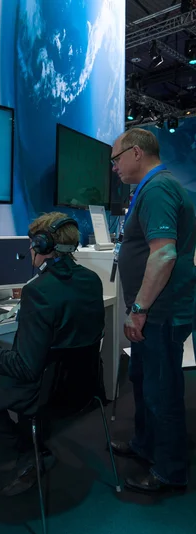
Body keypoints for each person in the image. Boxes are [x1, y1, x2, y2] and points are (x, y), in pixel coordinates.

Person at [0, 212, 105, 496]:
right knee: (17, 355)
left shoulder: (38, 291)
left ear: (43, 245)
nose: (30, 249)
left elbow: (24, 368)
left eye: (34, 243)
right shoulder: (91, 280)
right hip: (83, 387)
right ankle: (32, 446)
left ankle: (27, 448)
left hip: (47, 394)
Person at [111, 128, 196, 493]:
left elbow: (163, 254)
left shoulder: (158, 188)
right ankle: (146, 445)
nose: (113, 167)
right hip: (154, 311)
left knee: (162, 391)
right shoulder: (154, 188)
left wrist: (139, 309)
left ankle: (169, 470)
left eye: (116, 159)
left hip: (159, 312)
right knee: (144, 382)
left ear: (135, 153)